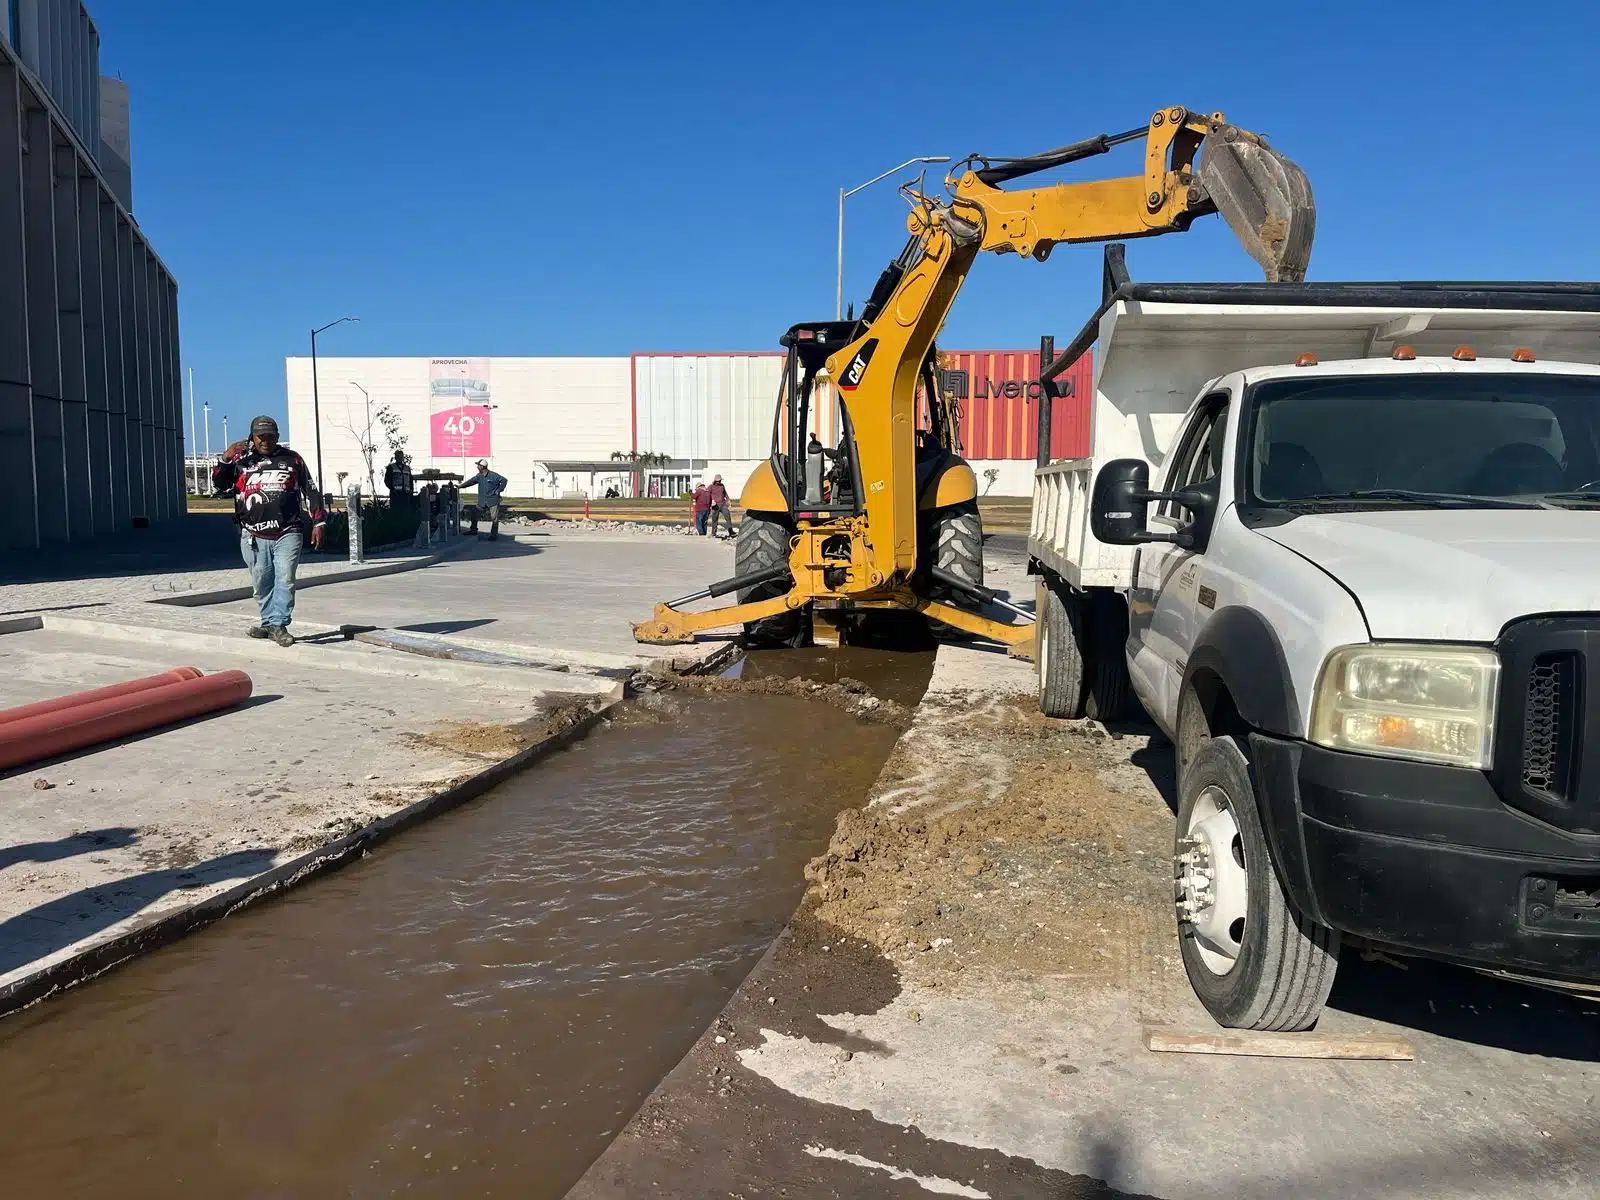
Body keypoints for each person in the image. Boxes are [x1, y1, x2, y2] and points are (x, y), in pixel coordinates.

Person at [220, 415, 325, 646]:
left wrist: (318, 522)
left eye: (270, 436)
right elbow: (220, 484)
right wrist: (226, 459)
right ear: (252, 438)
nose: (265, 440)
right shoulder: (242, 462)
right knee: (261, 582)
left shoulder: (292, 460)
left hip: (288, 530)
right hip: (253, 534)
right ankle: (268, 622)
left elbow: (311, 491)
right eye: (260, 436)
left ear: (277, 437)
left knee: (285, 577)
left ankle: (279, 623)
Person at [462, 458, 508, 539]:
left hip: (493, 500)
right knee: (474, 514)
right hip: (482, 501)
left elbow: (504, 480)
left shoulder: (493, 475)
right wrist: (460, 486)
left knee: (494, 519)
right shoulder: (479, 476)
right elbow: (471, 481)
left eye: (478, 466)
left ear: (482, 467)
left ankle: (493, 535)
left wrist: (499, 490)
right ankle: (473, 530)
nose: (477, 467)